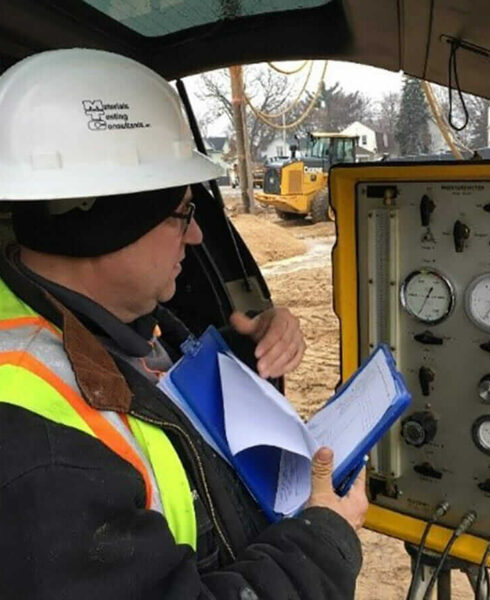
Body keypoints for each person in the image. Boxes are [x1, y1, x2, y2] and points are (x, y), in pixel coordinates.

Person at [0, 48, 368, 599]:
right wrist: (323, 543)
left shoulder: (97, 320)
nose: (195, 237)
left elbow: (163, 415)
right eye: (183, 214)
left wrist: (249, 350)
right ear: (106, 226)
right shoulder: (40, 457)